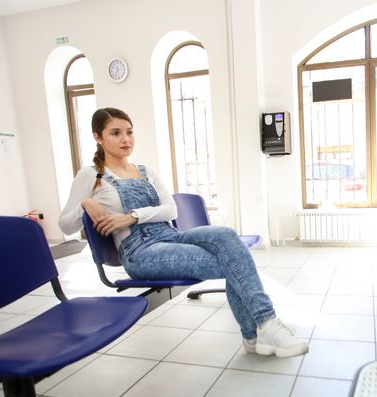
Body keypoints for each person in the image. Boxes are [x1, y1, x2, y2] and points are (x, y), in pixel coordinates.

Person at [59, 107, 309, 358]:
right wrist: (85, 204)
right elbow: (65, 225)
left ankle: (259, 332)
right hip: (140, 252)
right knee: (233, 261)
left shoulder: (145, 171)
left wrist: (133, 216)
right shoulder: (90, 175)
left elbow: (171, 210)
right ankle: (261, 329)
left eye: (129, 132)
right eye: (116, 133)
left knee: (226, 235)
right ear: (98, 137)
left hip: (169, 235)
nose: (126, 139)